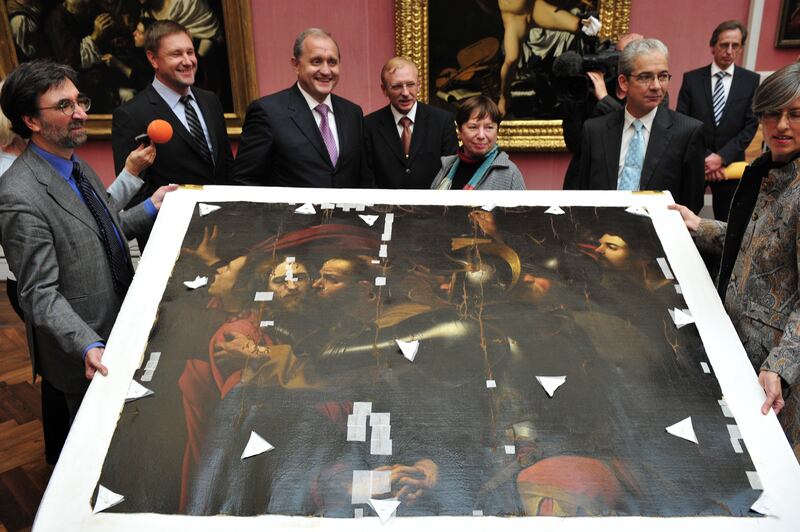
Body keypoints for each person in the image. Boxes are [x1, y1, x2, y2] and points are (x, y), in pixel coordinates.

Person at [0, 60, 176, 464]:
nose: (80, 113)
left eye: (80, 101)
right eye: (64, 106)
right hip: (88, 352)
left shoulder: (76, 166)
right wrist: (87, 345)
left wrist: (153, 205)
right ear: (31, 120)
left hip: (124, 325)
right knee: (99, 457)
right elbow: (38, 294)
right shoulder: (17, 194)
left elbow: (105, 230)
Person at [670, 63, 800, 461]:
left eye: (795, 114)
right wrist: (699, 226)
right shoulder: (770, 170)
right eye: (771, 113)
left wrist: (781, 365)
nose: (781, 125)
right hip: (738, 352)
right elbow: (755, 243)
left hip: (776, 376)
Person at [112, 19, 232, 246]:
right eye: (177, 54)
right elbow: (137, 197)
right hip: (173, 242)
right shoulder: (131, 115)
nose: (188, 61)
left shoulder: (210, 101)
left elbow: (226, 168)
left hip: (224, 235)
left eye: (190, 52)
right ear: (153, 59)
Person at [572, 39, 705, 213]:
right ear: (623, 82)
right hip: (603, 227)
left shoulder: (687, 132)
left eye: (663, 76)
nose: (656, 86)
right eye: (645, 77)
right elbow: (583, 194)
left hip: (659, 228)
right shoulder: (595, 130)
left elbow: (691, 203)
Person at [232, 28, 371, 188]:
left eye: (332, 62)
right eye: (316, 61)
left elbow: (363, 179)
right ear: (296, 65)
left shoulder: (353, 113)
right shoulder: (267, 113)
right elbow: (245, 181)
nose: (326, 71)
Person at [677, 21, 760, 222]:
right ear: (713, 46)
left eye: (735, 45)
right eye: (724, 45)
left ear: (741, 48)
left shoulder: (751, 80)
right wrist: (707, 158)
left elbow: (751, 125)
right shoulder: (692, 79)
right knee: (683, 217)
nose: (729, 51)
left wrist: (722, 157)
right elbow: (682, 121)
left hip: (730, 165)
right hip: (696, 162)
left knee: (729, 221)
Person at [364, 57, 458, 188]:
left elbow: (450, 173)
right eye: (397, 86)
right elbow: (366, 176)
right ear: (384, 89)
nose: (405, 93)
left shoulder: (443, 121)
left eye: (410, 84)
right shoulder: (369, 125)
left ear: (419, 85)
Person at [430, 95, 526, 190]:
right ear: (459, 131)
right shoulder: (446, 167)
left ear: (497, 131)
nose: (481, 135)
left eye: (489, 127)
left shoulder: (510, 173)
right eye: (473, 127)